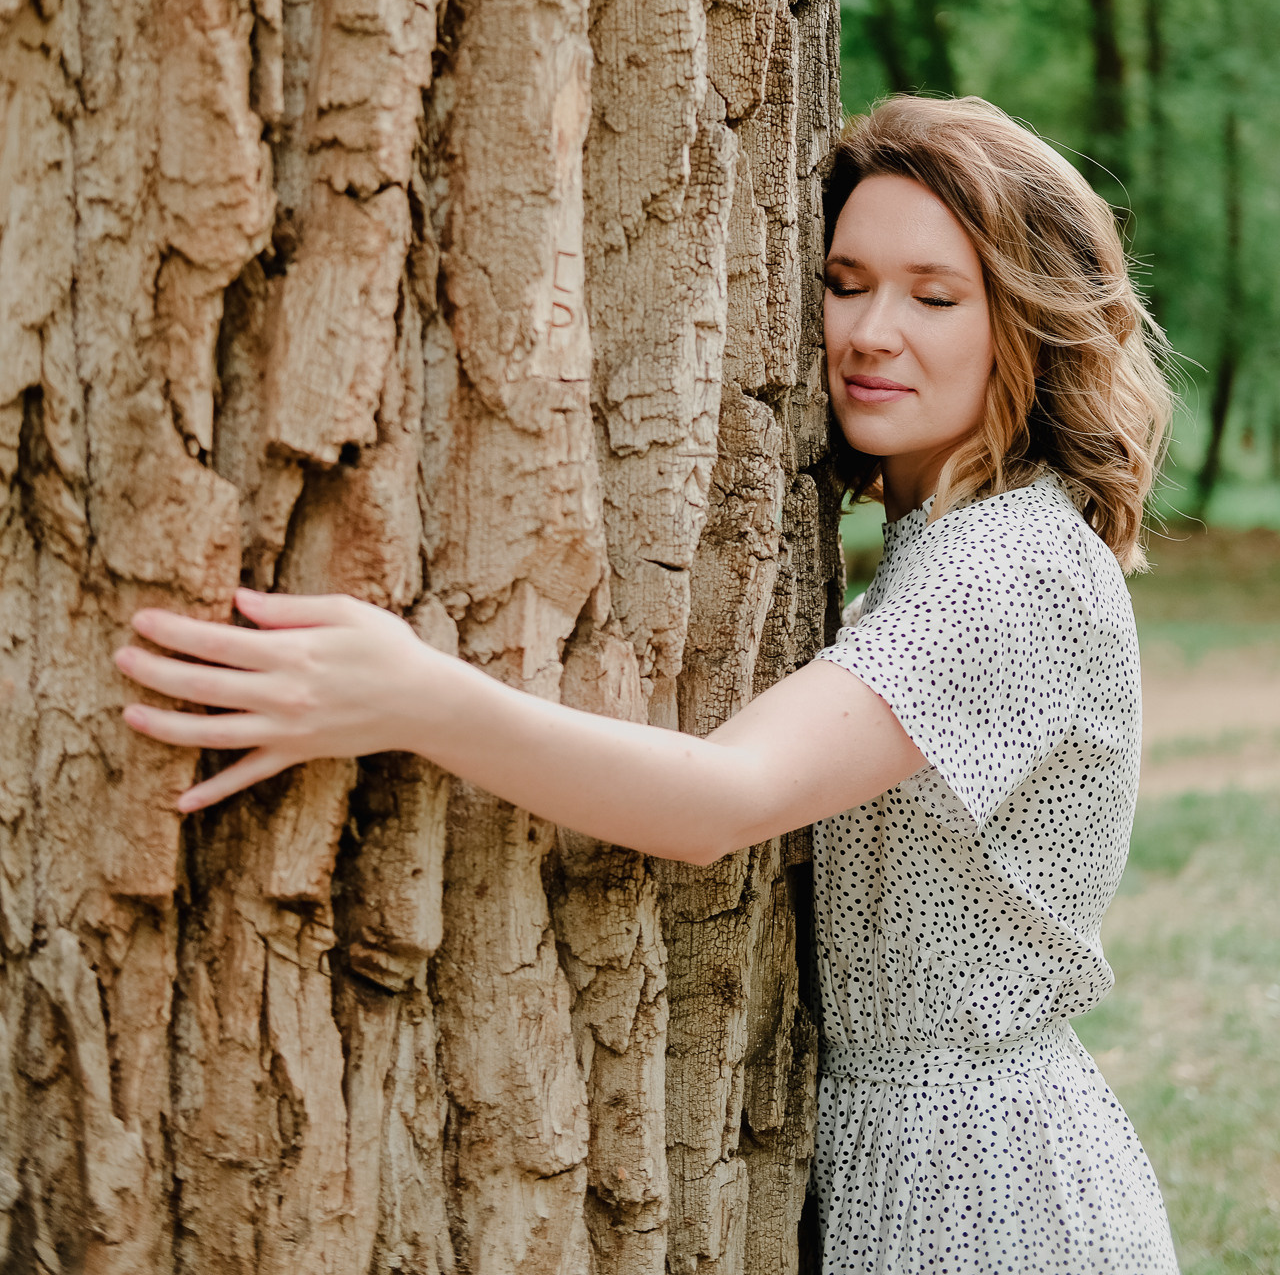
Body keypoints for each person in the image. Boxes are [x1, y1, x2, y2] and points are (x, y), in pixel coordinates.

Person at [116, 94, 1180, 1274]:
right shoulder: (956, 540)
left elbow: (718, 799)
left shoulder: (1007, 566)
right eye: (843, 280)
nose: (872, 331)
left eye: (935, 296)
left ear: (1027, 326)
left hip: (983, 1192)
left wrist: (409, 697)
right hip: (922, 1153)